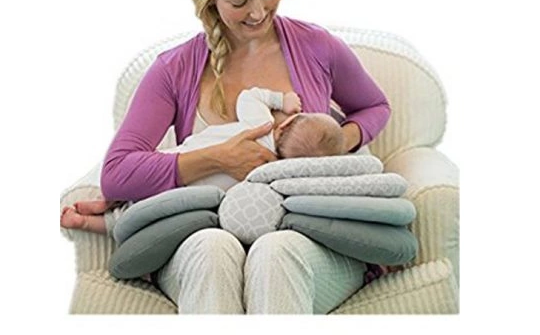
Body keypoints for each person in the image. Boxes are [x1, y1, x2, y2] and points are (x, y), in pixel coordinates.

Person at [65, 0, 391, 314]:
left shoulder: (317, 47)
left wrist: (338, 143)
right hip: (203, 234)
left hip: (302, 240)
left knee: (275, 252)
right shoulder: (174, 69)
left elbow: (375, 107)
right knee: (212, 248)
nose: (258, 12)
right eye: (239, 2)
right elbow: (117, 172)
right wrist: (218, 158)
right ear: (211, 0)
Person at [60, 86, 346, 234]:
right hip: (188, 199)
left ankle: (106, 200)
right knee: (140, 216)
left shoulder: (261, 124)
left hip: (177, 161)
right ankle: (89, 222)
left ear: (286, 124)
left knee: (144, 175)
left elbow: (249, 97)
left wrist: (281, 100)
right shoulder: (272, 176)